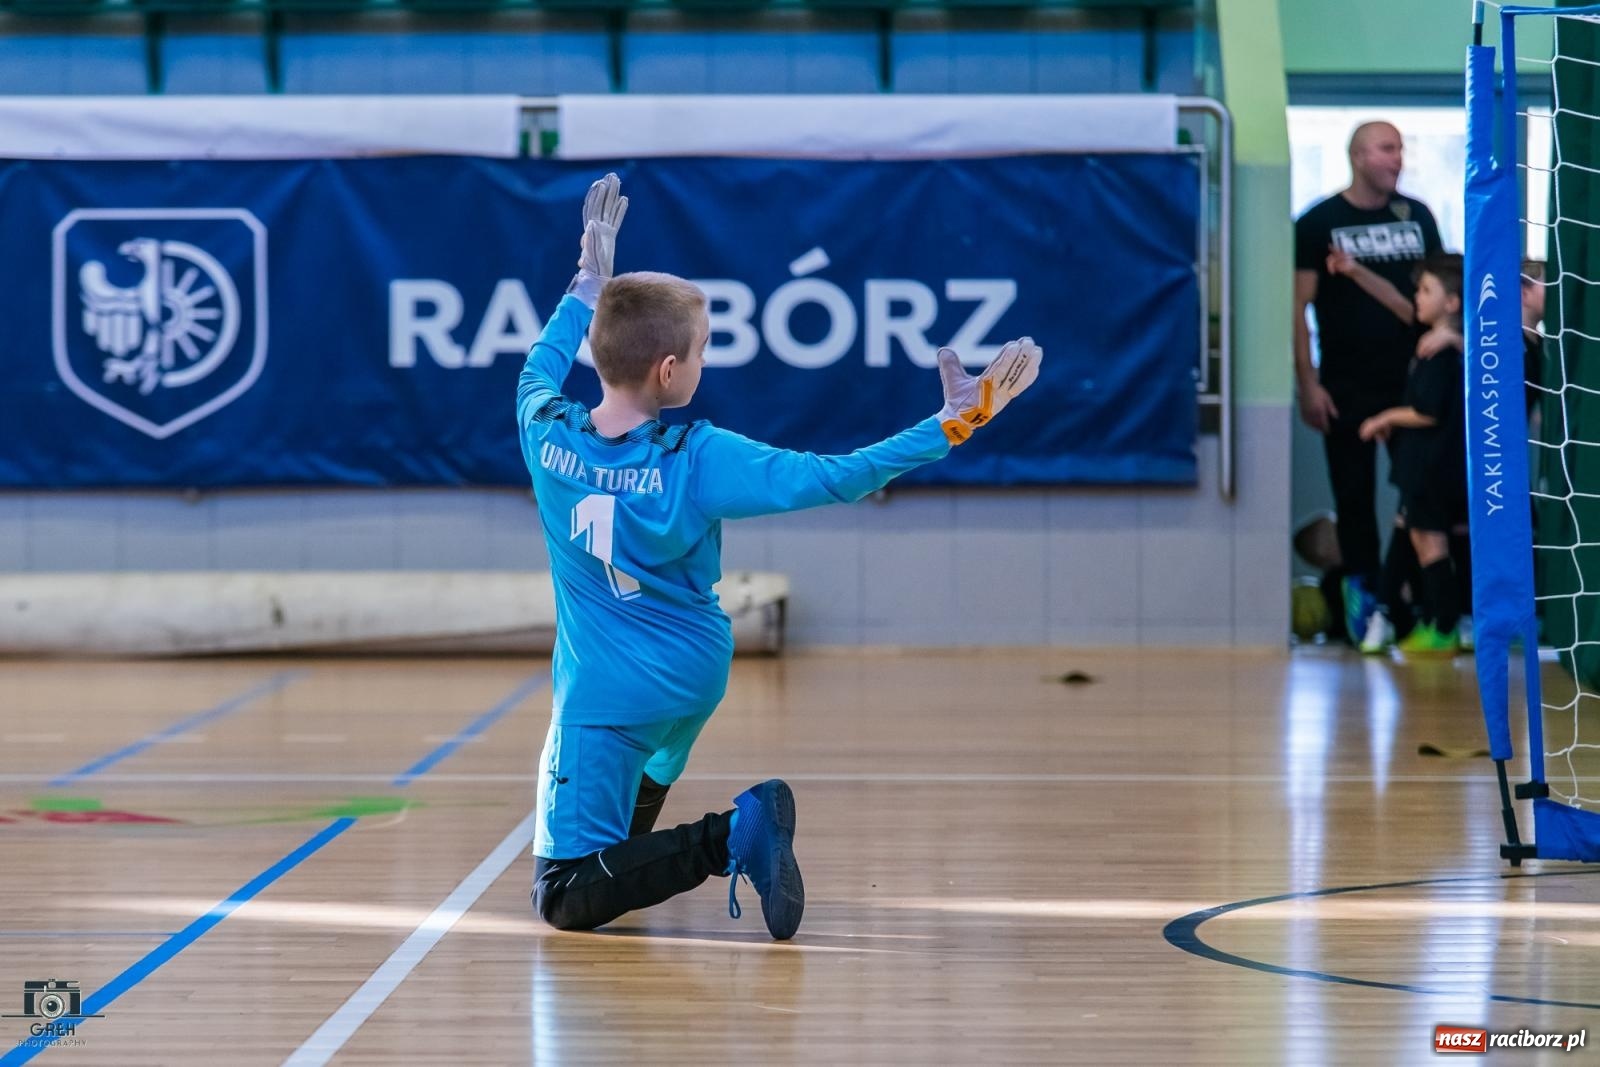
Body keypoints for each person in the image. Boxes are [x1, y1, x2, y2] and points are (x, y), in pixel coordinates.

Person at [516, 174, 1043, 940]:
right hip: (695, 674)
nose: (704, 359)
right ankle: (672, 834)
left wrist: (585, 283)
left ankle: (735, 834)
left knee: (563, 892)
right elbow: (840, 475)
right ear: (669, 371)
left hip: (606, 698)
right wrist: (955, 422)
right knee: (621, 845)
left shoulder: (544, 429)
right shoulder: (698, 457)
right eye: (701, 349)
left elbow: (537, 363)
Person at [1294, 121, 1443, 645]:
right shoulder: (1319, 221)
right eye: (1386, 149)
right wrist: (1307, 384)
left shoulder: (1416, 216)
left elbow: (1430, 303)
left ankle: (1428, 607)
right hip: (1345, 384)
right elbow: (1298, 307)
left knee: (1423, 497)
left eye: (1401, 148)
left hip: (1412, 384)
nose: (1397, 157)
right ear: (1358, 156)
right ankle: (1365, 609)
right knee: (1353, 498)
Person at [1358, 253, 1468, 654]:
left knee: (1430, 543)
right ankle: (1391, 616)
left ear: (1452, 303)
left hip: (1430, 468)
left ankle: (1443, 627)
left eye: (1426, 291)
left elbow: (1427, 411)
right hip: (1421, 466)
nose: (1417, 298)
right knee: (1408, 529)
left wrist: (1382, 417)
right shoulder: (1433, 345)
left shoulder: (1442, 353)